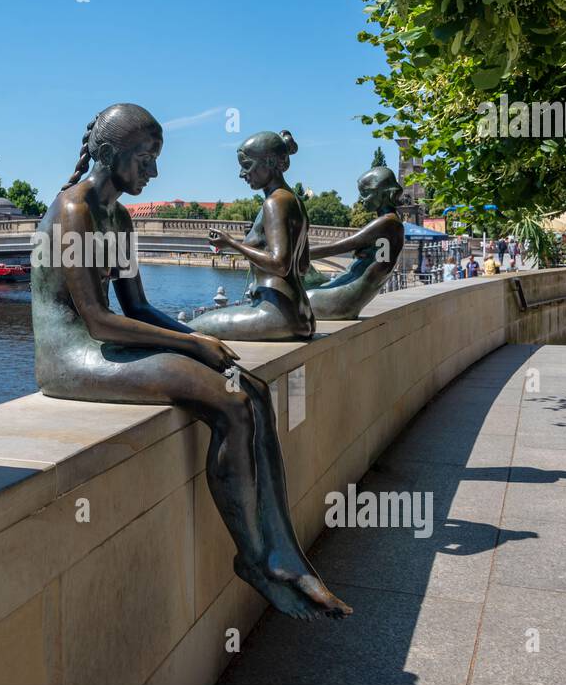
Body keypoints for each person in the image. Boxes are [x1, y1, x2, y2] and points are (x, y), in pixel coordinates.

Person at [31, 103, 350, 621]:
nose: (152, 172)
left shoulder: (118, 218)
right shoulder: (76, 211)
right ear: (110, 154)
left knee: (253, 389)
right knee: (229, 403)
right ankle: (257, 558)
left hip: (102, 344)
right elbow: (96, 319)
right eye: (144, 159)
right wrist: (194, 345)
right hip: (72, 356)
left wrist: (194, 334)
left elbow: (138, 308)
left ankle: (285, 553)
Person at [190, 131, 316, 340]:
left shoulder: (274, 203)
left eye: (247, 165)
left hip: (275, 313)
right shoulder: (295, 201)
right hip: (302, 314)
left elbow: (280, 264)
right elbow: (302, 266)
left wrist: (231, 244)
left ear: (270, 161)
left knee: (187, 330)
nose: (242, 173)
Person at [306, 166, 405, 319]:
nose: (361, 199)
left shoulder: (386, 223)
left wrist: (295, 254)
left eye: (365, 193)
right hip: (349, 294)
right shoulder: (392, 223)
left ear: (383, 193)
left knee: (296, 300)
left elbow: (336, 248)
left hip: (344, 301)